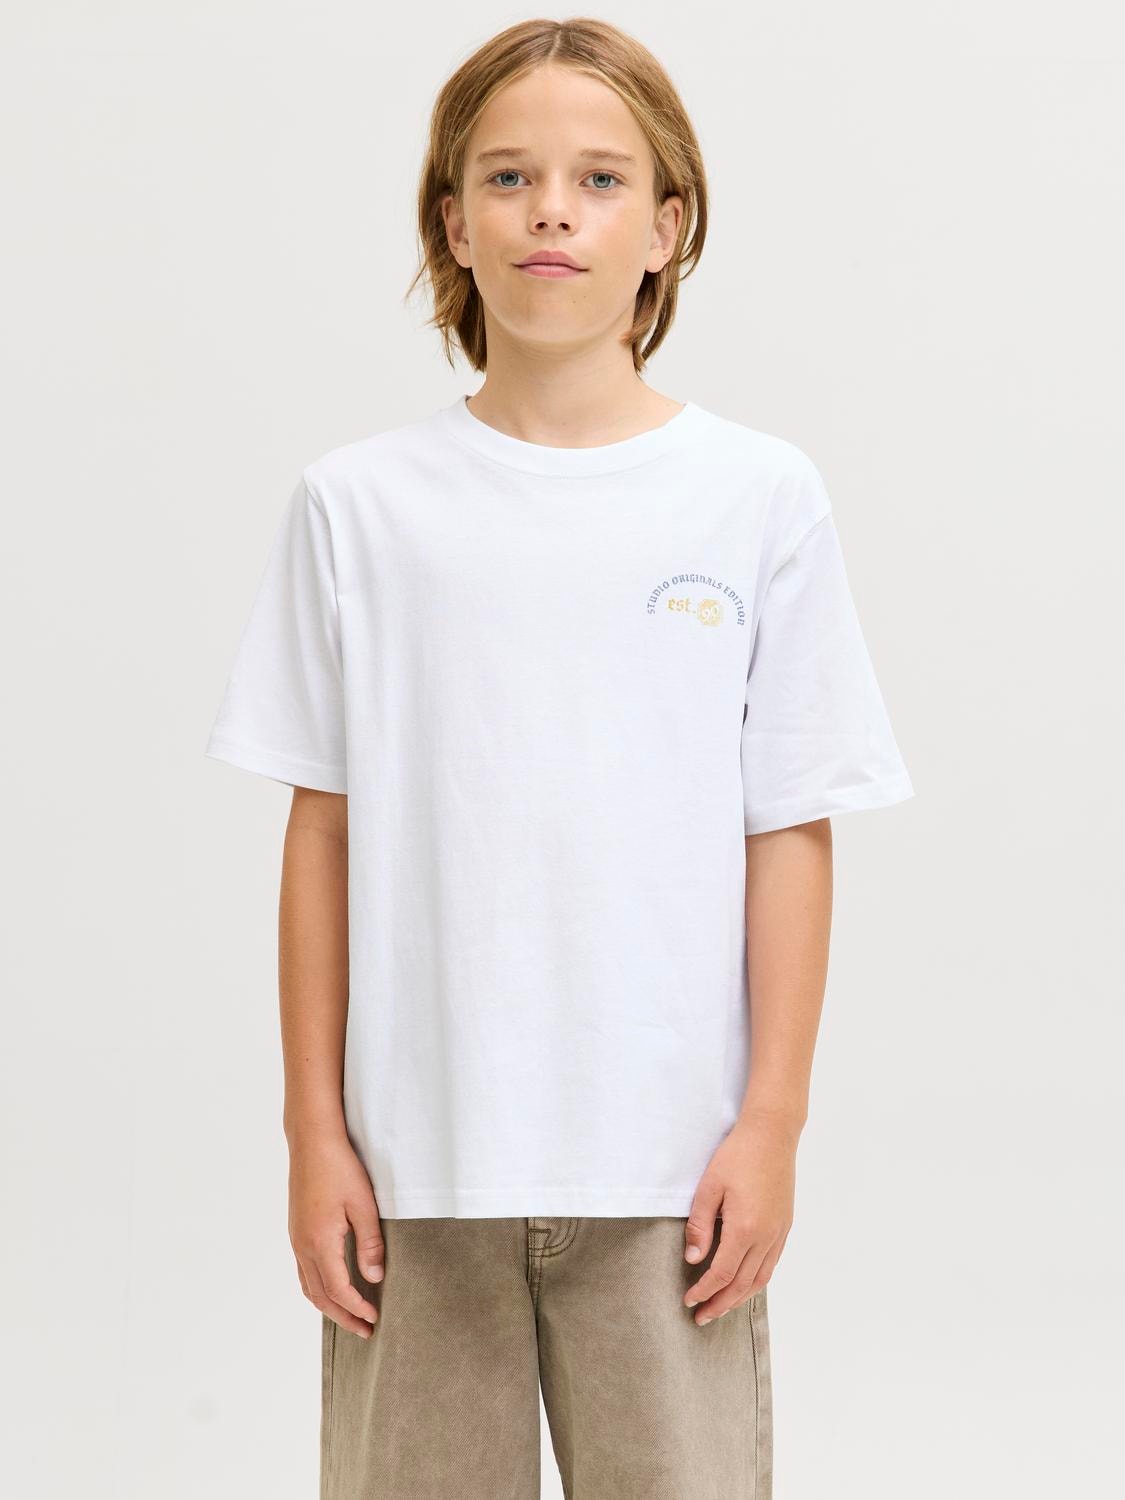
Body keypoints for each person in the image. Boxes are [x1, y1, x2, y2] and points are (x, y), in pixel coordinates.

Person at [204, 17, 914, 1499]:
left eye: (599, 180)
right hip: (418, 1175)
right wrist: (313, 1132)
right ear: (451, 222)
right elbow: (322, 833)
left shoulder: (756, 498)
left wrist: (772, 1122)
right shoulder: (359, 507)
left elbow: (788, 827)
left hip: (672, 1180)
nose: (551, 212)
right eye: (508, 176)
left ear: (667, 228)